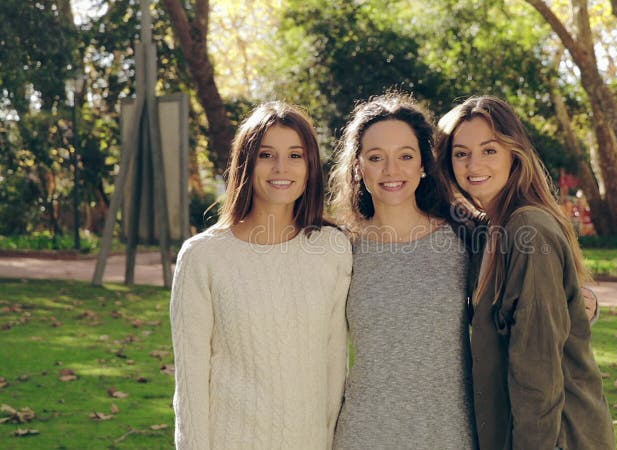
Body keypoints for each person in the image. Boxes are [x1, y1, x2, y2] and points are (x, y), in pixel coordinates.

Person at [436, 96, 615, 450]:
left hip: (557, 436)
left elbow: (538, 370)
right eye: (461, 153)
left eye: (489, 150)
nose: (474, 164)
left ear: (513, 152)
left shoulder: (527, 228)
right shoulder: (492, 230)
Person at [169, 101, 352, 450]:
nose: (281, 167)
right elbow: (190, 384)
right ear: (246, 163)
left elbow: (334, 369)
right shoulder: (203, 257)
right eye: (267, 155)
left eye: (295, 155)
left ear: (310, 165)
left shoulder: (332, 249)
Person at [329, 93, 476, 449]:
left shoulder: (465, 237)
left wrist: (584, 302)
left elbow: (526, 301)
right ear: (358, 167)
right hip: (365, 435)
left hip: (449, 434)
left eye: (405, 156)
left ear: (424, 164)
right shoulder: (339, 249)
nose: (391, 171)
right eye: (376, 158)